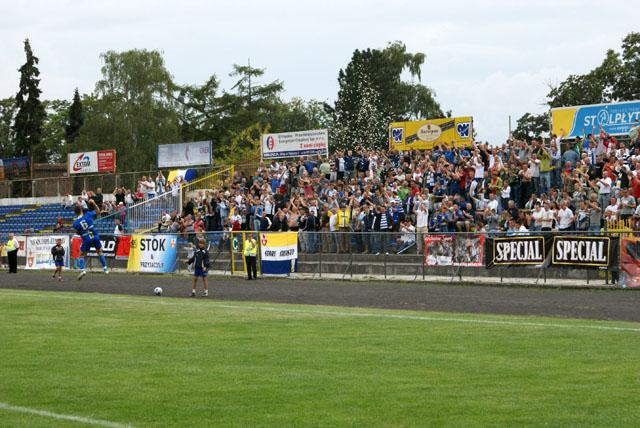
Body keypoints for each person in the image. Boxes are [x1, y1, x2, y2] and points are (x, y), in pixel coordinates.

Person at [73, 199, 109, 280]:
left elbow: (77, 232)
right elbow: (98, 212)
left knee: (81, 255)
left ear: (75, 213)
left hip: (86, 238)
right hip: (95, 236)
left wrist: (81, 232)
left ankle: (82, 270)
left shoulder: (75, 223)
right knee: (99, 251)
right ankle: (105, 269)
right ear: (82, 210)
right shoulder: (88, 215)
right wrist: (94, 203)